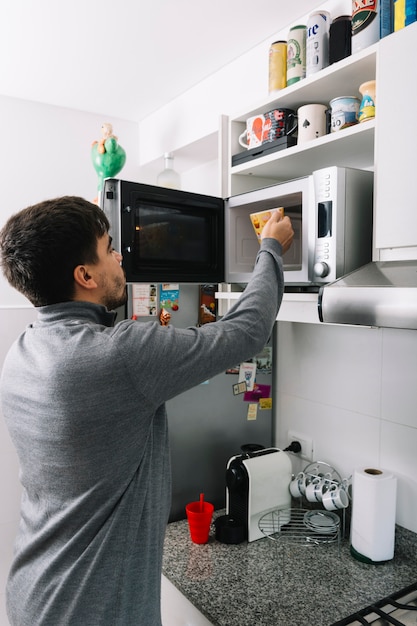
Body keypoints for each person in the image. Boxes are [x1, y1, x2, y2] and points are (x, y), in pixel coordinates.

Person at [0, 196, 293, 626]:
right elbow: (247, 332)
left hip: (33, 593)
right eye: (109, 248)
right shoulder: (119, 354)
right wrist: (270, 247)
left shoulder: (22, 350)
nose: (121, 256)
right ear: (84, 275)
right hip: (92, 609)